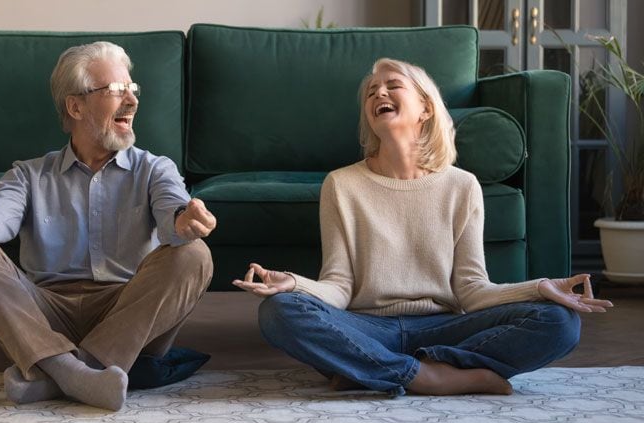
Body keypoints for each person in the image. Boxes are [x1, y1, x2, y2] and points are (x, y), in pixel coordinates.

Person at [233, 58, 612, 396]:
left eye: (392, 84)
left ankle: (369, 369)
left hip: (443, 327)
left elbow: (472, 290)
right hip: (365, 325)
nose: (378, 92)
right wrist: (294, 284)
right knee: (279, 311)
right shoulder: (342, 184)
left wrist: (539, 288)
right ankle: (432, 377)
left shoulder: (461, 186)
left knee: (560, 321)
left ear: (426, 108)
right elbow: (339, 286)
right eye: (371, 92)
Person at [0, 41, 216, 410]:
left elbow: (173, 212)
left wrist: (184, 220)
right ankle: (79, 375)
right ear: (75, 106)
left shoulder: (155, 169)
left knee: (194, 254)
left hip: (127, 315)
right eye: (115, 90)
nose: (132, 100)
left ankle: (56, 374)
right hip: (44, 313)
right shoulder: (28, 175)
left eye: (132, 89)